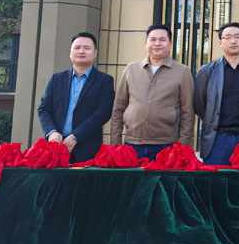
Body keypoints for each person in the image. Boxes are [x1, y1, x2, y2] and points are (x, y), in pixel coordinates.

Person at [110, 24, 194, 161]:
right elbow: (118, 108)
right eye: (153, 39)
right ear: (146, 43)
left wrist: (182, 146)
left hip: (166, 145)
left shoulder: (182, 71)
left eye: (162, 39)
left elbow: (188, 112)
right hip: (132, 143)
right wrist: (116, 143)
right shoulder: (131, 69)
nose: (157, 43)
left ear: (170, 44)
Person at [37, 32, 114, 163]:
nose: (81, 51)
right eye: (77, 48)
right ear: (70, 52)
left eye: (87, 48)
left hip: (87, 148)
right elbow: (44, 109)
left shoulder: (104, 81)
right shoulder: (57, 79)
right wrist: (51, 132)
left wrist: (76, 136)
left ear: (95, 53)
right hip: (56, 147)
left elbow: (103, 113)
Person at [194, 23, 239, 165]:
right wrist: (212, 118)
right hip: (217, 139)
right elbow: (198, 104)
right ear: (220, 42)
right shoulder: (207, 70)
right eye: (228, 37)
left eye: (237, 37)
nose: (233, 41)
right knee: (217, 178)